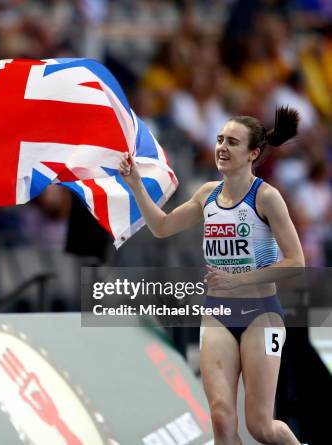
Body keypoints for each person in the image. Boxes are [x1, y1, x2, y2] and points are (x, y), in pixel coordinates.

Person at [119, 107, 304, 445]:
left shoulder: (266, 197)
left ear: (253, 153)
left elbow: (296, 262)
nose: (221, 147)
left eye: (232, 142)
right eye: (219, 139)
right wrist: (136, 186)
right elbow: (161, 227)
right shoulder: (207, 194)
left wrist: (240, 279)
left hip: (260, 313)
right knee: (220, 418)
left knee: (261, 427)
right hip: (218, 312)